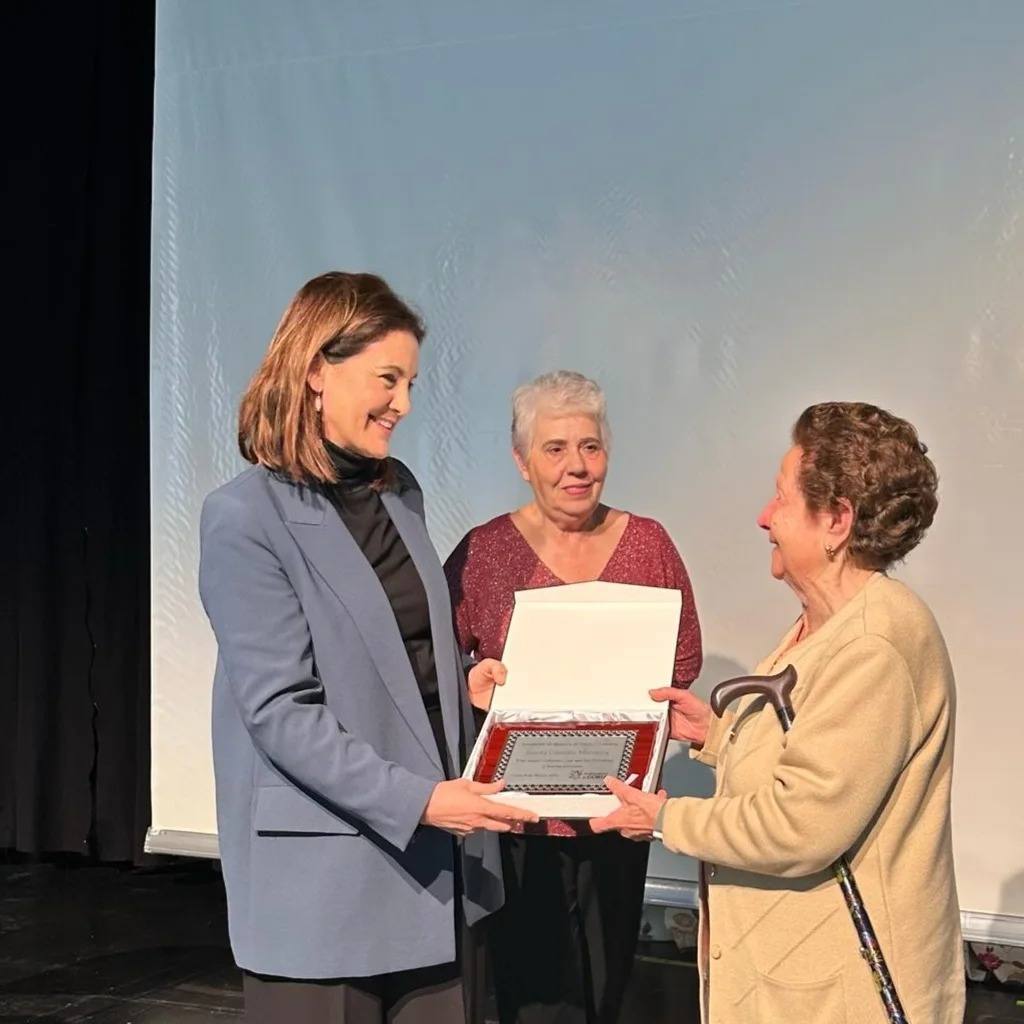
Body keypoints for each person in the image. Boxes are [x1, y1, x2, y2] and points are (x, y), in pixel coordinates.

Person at [198, 271, 538, 1024]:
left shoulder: (398, 492)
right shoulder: (244, 518)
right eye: (388, 379)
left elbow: (396, 652)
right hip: (324, 890)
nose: (405, 405)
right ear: (316, 368)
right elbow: (282, 713)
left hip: (432, 877)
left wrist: (462, 682)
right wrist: (421, 800)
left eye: (411, 382)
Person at [592, 401, 965, 1023]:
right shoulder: (831, 622)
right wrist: (718, 735)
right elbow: (820, 752)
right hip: (793, 977)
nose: (765, 517)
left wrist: (666, 820)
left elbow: (802, 825)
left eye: (782, 499)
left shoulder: (874, 642)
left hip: (843, 995)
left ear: (836, 521)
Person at [444, 370, 703, 1024]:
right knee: (529, 991)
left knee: (607, 980)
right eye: (555, 449)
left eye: (590, 447)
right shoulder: (483, 551)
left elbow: (684, 654)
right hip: (518, 816)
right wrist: (471, 684)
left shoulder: (648, 543)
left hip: (617, 808)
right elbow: (439, 665)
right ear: (522, 461)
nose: (577, 467)